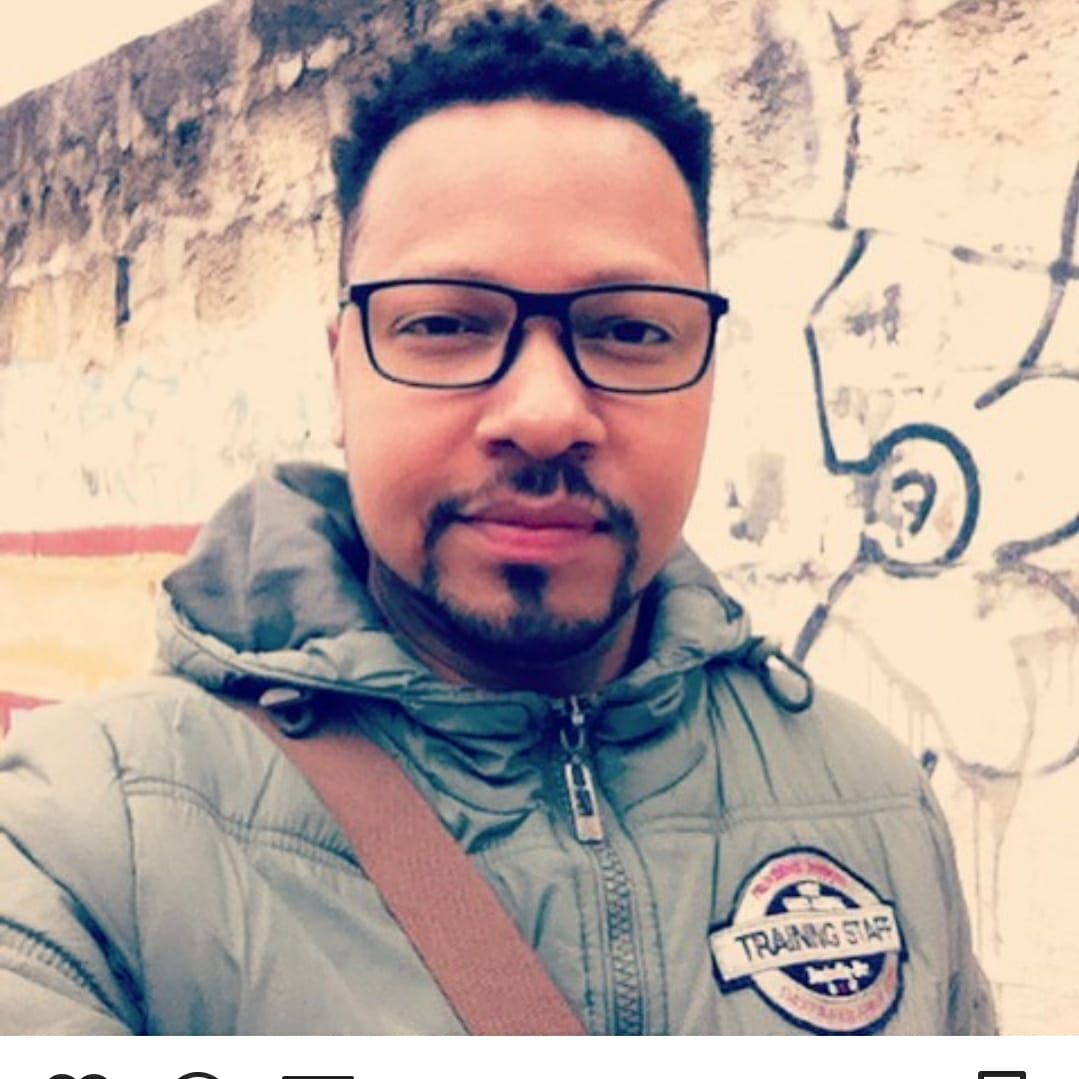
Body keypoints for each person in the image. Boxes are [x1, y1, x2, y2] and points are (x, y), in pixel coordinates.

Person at [0, 4, 995, 1035]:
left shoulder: (877, 802)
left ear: (706, 372)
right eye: (443, 322)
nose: (545, 413)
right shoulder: (87, 840)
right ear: (342, 371)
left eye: (629, 329)